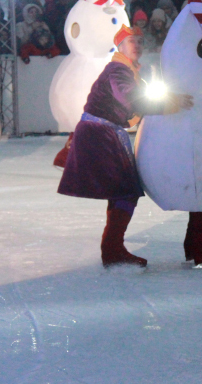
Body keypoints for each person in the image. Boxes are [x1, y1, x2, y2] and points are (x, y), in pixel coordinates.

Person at [58, 24, 193, 267]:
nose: (138, 46)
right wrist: (171, 104)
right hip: (100, 134)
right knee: (126, 191)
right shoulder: (118, 70)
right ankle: (112, 250)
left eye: (140, 41)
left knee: (122, 191)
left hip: (105, 132)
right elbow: (133, 100)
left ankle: (112, 249)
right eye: (132, 41)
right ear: (120, 46)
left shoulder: (126, 70)